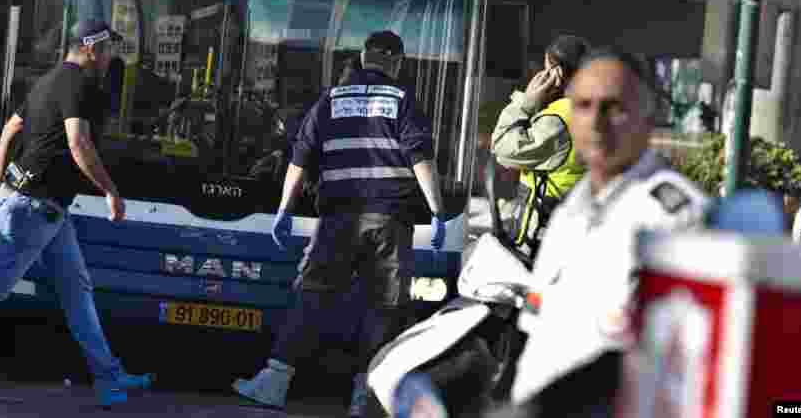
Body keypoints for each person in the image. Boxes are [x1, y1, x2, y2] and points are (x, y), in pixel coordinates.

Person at [0, 20, 152, 407]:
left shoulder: (49, 80)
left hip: (40, 205)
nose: (110, 57)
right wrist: (110, 190)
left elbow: (11, 130)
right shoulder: (77, 83)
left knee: (77, 291)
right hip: (35, 207)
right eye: (107, 49)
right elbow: (79, 142)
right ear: (92, 48)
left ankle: (110, 379)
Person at [232, 30, 450, 418]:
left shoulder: (330, 100)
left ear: (364, 58)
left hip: (337, 220)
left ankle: (273, 382)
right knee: (383, 307)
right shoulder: (403, 101)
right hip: (388, 220)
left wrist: (284, 210)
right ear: (397, 62)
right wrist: (436, 210)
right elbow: (421, 159)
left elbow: (299, 160)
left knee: (311, 295)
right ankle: (363, 398)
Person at [503, 46, 710, 414]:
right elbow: (539, 339)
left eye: (614, 108)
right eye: (583, 106)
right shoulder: (569, 214)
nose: (595, 123)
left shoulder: (674, 216)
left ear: (648, 117)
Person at [491, 35, 590, 257]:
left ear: (558, 73)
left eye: (545, 68)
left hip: (543, 243)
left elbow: (501, 147)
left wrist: (525, 103)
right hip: (577, 235)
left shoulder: (559, 119)